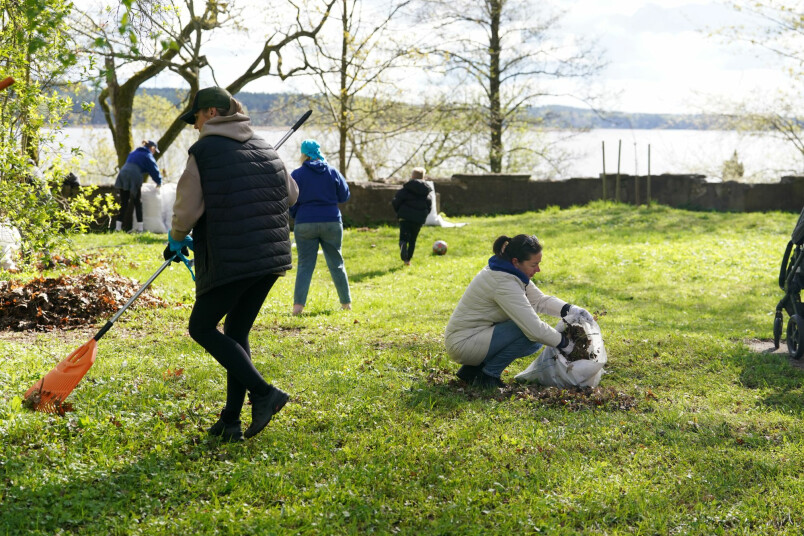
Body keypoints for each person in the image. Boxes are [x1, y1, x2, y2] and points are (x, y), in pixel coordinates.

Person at [165, 86, 299, 442]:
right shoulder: (264, 146)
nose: (194, 127)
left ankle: (264, 392)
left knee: (201, 327)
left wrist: (176, 238)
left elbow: (187, 206)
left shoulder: (204, 151)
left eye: (194, 118)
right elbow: (291, 194)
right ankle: (231, 421)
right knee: (236, 334)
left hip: (235, 258)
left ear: (210, 112)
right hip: (270, 257)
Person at [444, 234, 595, 388]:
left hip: (472, 338)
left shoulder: (508, 270)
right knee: (529, 333)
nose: (538, 269)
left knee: (532, 334)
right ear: (516, 261)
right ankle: (488, 375)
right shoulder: (503, 281)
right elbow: (534, 329)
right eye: (534, 264)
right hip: (464, 343)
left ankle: (471, 371)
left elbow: (539, 300)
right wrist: (567, 345)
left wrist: (572, 310)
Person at [289, 139, 352, 316]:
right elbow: (344, 195)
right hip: (331, 221)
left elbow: (291, 200)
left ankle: (298, 307)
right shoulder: (332, 172)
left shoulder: (297, 174)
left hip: (305, 222)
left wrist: (296, 215)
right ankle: (346, 304)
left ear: (304, 154)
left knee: (305, 265)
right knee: (336, 263)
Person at [113, 140, 164, 232]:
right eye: (154, 151)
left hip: (123, 174)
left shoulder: (133, 153)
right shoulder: (147, 155)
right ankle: (140, 228)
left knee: (124, 202)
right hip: (134, 175)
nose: (154, 153)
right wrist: (159, 182)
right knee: (137, 202)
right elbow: (154, 170)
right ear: (152, 148)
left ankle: (117, 228)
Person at [391, 167, 433, 266]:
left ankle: (402, 244)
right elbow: (429, 205)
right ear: (423, 177)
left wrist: (399, 211)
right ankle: (407, 260)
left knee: (403, 236)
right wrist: (424, 214)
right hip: (418, 219)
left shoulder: (406, 189)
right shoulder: (426, 191)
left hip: (404, 217)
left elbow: (396, 200)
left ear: (412, 176)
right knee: (413, 240)